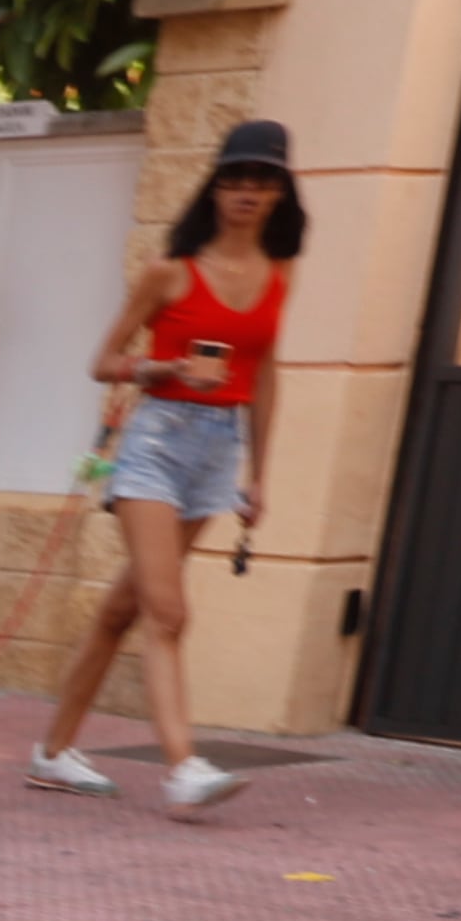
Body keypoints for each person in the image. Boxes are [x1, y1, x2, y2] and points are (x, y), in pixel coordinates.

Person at [29, 121, 303, 813]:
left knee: (123, 610)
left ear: (279, 193)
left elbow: (267, 376)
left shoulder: (278, 278)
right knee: (168, 611)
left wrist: (260, 474)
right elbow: (102, 362)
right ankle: (183, 765)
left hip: (219, 448)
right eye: (236, 178)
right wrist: (165, 368)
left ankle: (54, 752)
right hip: (156, 438)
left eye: (262, 181)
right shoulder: (170, 272)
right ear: (214, 186)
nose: (247, 192)